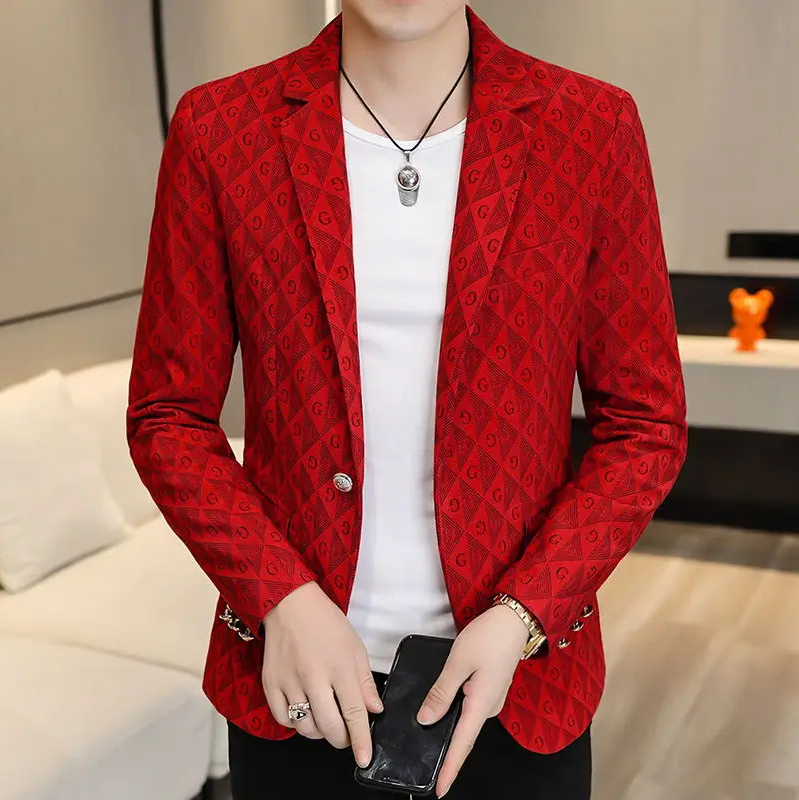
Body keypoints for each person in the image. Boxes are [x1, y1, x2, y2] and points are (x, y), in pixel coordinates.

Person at [127, 2, 687, 798]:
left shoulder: (590, 127)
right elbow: (168, 416)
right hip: (297, 682)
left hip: (515, 682)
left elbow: (644, 425)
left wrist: (525, 614)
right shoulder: (221, 128)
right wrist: (278, 595)